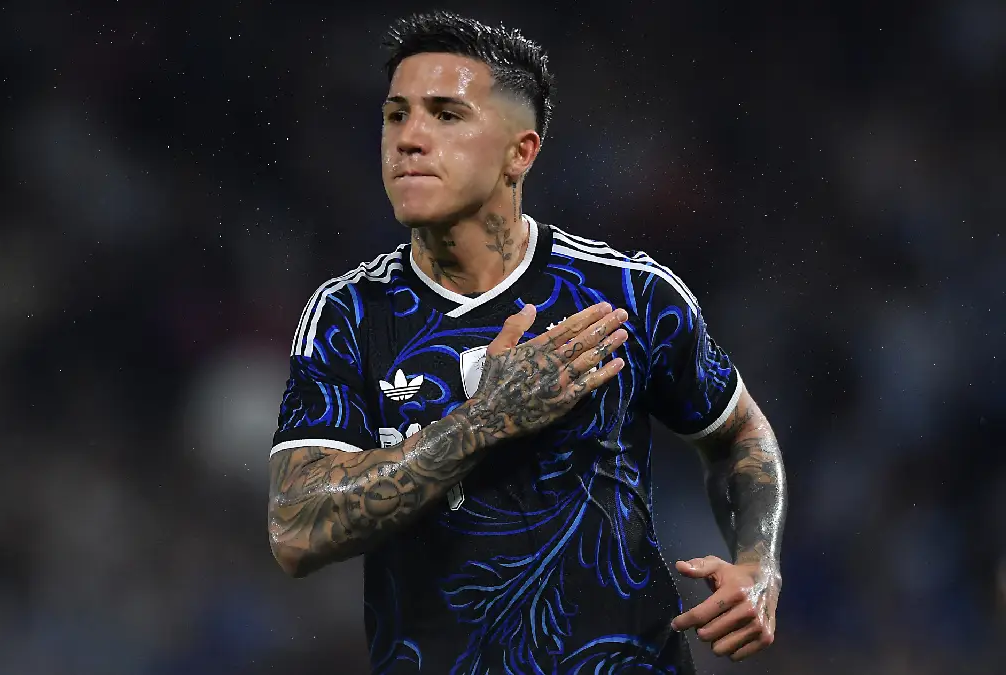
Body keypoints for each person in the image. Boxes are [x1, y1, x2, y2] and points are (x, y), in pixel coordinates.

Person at [267, 10, 787, 674]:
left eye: (446, 115)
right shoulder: (350, 314)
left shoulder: (626, 294)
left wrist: (759, 564)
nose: (409, 138)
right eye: (396, 115)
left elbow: (740, 433)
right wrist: (486, 419)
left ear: (521, 152)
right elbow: (295, 526)